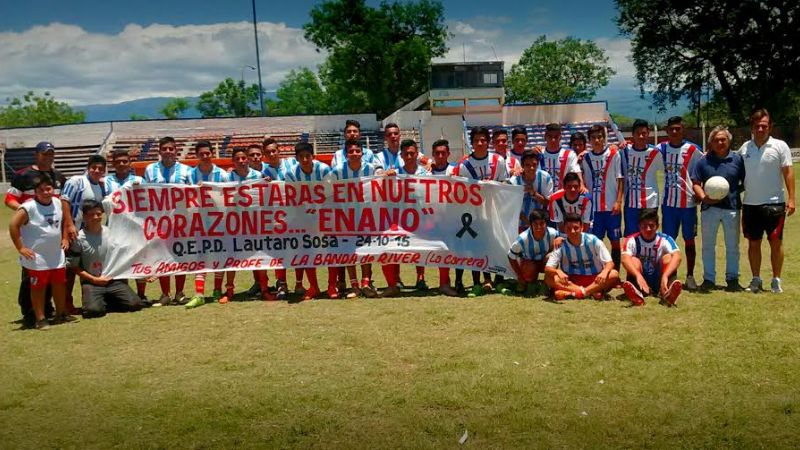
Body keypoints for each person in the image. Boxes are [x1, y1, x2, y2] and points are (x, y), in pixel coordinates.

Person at [5, 141, 73, 327]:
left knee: (54, 277)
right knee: (32, 279)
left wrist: (66, 232)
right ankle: (30, 313)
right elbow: (9, 198)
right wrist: (26, 212)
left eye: (51, 153)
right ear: (37, 155)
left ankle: (51, 311)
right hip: (32, 233)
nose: (48, 157)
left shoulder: (58, 176)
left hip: (53, 233)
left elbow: (63, 205)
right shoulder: (23, 175)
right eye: (45, 154)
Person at [739, 108, 796, 293]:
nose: (761, 129)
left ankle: (776, 280)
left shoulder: (780, 146)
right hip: (750, 204)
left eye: (764, 126)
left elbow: (788, 172)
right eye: (757, 126)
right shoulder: (744, 148)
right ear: (752, 128)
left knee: (775, 242)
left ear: (770, 127)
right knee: (753, 243)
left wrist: (792, 199)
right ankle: (756, 279)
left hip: (774, 204)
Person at [453, 126, 508, 297]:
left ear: (488, 141)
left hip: (495, 210)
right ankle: (479, 281)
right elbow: (462, 192)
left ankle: (498, 280)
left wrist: (492, 185)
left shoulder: (498, 160)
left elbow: (505, 184)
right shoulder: (464, 165)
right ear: (472, 143)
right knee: (477, 247)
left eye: (483, 140)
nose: (480, 143)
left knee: (498, 244)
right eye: (476, 140)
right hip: (474, 212)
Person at [691, 126, 746, 291]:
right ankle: (709, 279)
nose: (720, 142)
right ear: (711, 143)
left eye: (723, 139)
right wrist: (703, 197)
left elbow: (745, 182)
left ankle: (732, 279)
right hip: (709, 209)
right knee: (708, 245)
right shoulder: (703, 161)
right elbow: (696, 183)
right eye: (716, 140)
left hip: (732, 209)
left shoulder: (737, 160)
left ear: (729, 141)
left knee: (732, 246)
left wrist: (734, 192)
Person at [218, 147, 275, 303]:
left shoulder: (257, 176)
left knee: (260, 257)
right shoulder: (227, 178)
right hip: (234, 224)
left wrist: (268, 184)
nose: (242, 161)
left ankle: (264, 289)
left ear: (247, 160)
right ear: (233, 161)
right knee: (232, 258)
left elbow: (268, 195)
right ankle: (229, 290)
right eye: (238, 159)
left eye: (244, 158)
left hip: (254, 223)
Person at [67, 200, 143, 318]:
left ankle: (108, 298)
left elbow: (124, 256)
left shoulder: (112, 233)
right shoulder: (78, 238)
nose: (96, 217)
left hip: (114, 280)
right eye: (91, 214)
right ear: (84, 216)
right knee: (93, 311)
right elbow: (74, 267)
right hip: (92, 282)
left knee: (135, 304)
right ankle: (101, 299)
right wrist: (93, 280)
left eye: (98, 214)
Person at [328, 139, 382, 298]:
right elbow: (326, 190)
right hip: (344, 217)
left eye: (357, 151)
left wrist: (388, 174)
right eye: (351, 151)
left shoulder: (371, 169)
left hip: (366, 216)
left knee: (366, 250)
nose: (354, 154)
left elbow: (382, 179)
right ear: (346, 154)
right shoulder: (337, 171)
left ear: (362, 153)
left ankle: (366, 282)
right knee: (348, 251)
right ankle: (354, 285)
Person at [143, 136, 192, 306]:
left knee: (179, 255)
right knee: (162, 256)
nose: (168, 152)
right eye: (165, 149)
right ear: (160, 151)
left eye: (171, 148)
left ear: (176, 150)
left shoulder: (187, 170)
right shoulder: (150, 170)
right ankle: (165, 294)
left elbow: (194, 194)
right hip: (159, 221)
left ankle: (179, 293)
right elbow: (144, 193)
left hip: (180, 221)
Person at [284, 142, 333, 300]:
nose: (305, 159)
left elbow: (330, 194)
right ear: (296, 158)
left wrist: (318, 211)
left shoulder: (324, 169)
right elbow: (293, 197)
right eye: (301, 157)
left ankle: (332, 286)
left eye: (307, 156)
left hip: (325, 215)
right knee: (306, 251)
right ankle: (314, 287)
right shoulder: (291, 174)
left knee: (331, 250)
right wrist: (306, 214)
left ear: (313, 156)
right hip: (302, 217)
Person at [658, 116, 702, 290]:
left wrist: (701, 190)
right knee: (668, 242)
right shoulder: (661, 149)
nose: (675, 132)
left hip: (688, 204)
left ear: (683, 130)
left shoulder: (693, 149)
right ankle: (670, 276)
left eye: (678, 129)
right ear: (667, 131)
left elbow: (704, 169)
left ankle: (690, 276)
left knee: (689, 241)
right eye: (672, 129)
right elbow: (640, 151)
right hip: (669, 205)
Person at [184, 141, 229, 309]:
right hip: (199, 221)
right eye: (201, 154)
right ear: (197, 155)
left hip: (219, 221)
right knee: (200, 256)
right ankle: (199, 294)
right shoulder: (190, 174)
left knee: (218, 255)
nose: (204, 156)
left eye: (207, 153)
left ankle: (217, 290)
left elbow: (227, 196)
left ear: (212, 154)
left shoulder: (222, 174)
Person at [381, 139, 429, 297]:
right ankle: (394, 280)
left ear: (417, 154)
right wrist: (385, 176)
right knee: (393, 248)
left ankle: (420, 278)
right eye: (406, 153)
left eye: (412, 153)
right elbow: (379, 184)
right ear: (401, 155)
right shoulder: (395, 173)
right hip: (399, 218)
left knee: (420, 249)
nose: (409, 156)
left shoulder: (425, 173)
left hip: (419, 216)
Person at [61, 154, 108, 313]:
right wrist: (69, 226)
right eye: (94, 167)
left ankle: (86, 298)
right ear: (88, 167)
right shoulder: (76, 181)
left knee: (82, 266)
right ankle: (66, 303)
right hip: (72, 233)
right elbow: (65, 201)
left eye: (100, 168)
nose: (97, 170)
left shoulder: (100, 186)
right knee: (68, 270)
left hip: (88, 234)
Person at [104, 148, 150, 305]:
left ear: (130, 163)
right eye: (118, 162)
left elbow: (149, 201)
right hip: (115, 227)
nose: (122, 164)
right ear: (113, 164)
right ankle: (122, 294)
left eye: (125, 161)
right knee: (119, 260)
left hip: (135, 226)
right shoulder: (107, 181)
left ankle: (142, 294)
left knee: (139, 260)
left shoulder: (139, 180)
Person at [544, 212, 620, 300]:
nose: (572, 231)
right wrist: (558, 272)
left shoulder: (593, 241)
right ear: (564, 229)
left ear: (582, 228)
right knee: (548, 278)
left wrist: (604, 272)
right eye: (569, 228)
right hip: (572, 281)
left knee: (614, 274)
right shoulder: (561, 245)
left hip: (595, 278)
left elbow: (609, 263)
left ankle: (575, 293)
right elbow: (547, 268)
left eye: (576, 228)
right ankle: (590, 292)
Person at [620, 208, 683, 306]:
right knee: (633, 260)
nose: (648, 229)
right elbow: (624, 259)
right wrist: (638, 276)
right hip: (640, 279)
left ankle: (667, 293)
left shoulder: (665, 239)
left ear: (657, 226)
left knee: (668, 258)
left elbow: (677, 256)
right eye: (644, 226)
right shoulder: (632, 240)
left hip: (659, 278)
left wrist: (665, 276)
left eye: (651, 226)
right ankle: (637, 293)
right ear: (639, 227)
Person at [582, 124, 624, 269]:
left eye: (599, 137)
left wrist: (618, 201)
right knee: (596, 241)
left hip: (611, 207)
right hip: (595, 209)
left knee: (615, 241)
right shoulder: (586, 158)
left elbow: (620, 179)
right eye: (593, 137)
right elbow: (586, 182)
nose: (597, 140)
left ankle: (616, 273)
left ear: (604, 138)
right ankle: (598, 271)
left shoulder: (614, 154)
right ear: (589, 140)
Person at [622, 119, 664, 236]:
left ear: (648, 133)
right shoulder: (624, 151)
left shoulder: (655, 153)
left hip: (650, 203)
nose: (641, 136)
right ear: (633, 134)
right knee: (631, 237)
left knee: (649, 235)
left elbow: (668, 171)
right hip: (631, 203)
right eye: (638, 133)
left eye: (643, 133)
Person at [262, 137, 291, 299]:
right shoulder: (263, 173)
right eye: (268, 152)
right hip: (277, 218)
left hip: (296, 215)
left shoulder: (292, 164)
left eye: (274, 151)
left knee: (302, 249)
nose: (272, 154)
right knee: (279, 252)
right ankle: (281, 284)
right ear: (265, 155)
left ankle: (302, 283)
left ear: (279, 151)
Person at [429, 139, 458, 296]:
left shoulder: (455, 172)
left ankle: (447, 282)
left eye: (443, 153)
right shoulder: (426, 173)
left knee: (449, 251)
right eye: (437, 153)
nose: (440, 155)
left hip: (450, 218)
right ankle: (421, 280)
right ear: (433, 154)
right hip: (430, 218)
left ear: (448, 154)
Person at [507, 209, 558, 296]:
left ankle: (546, 284)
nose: (539, 227)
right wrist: (519, 277)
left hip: (543, 263)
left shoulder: (553, 233)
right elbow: (511, 256)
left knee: (551, 257)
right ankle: (530, 283)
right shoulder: (523, 238)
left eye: (542, 223)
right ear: (530, 225)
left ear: (546, 224)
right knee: (529, 267)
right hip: (529, 264)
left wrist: (560, 240)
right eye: (535, 224)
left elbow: (565, 240)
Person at [507, 150, 553, 232]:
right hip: (518, 225)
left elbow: (547, 202)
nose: (531, 168)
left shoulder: (545, 178)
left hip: (539, 225)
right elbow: (512, 207)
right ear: (522, 166)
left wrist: (534, 193)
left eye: (534, 165)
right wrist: (529, 224)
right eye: (527, 165)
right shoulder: (514, 181)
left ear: (538, 164)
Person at [538, 123, 582, 191]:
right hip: (543, 197)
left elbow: (576, 171)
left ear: (560, 137)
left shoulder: (570, 154)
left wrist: (582, 185)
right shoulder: (539, 153)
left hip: (562, 196)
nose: (553, 140)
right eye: (550, 136)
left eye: (556, 137)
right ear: (545, 137)